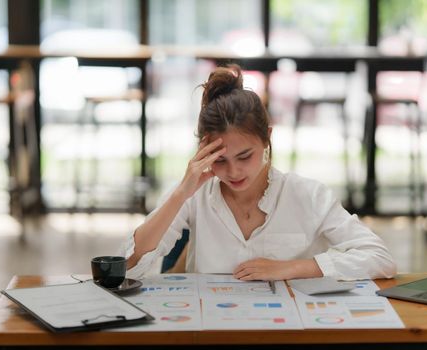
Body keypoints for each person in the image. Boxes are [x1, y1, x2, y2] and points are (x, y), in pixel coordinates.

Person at [124, 64, 396, 281]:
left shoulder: (307, 194)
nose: (233, 171)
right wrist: (180, 194)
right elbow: (130, 266)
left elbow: (379, 257)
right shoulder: (194, 196)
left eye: (245, 156)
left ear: (266, 138)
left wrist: (293, 268)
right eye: (220, 160)